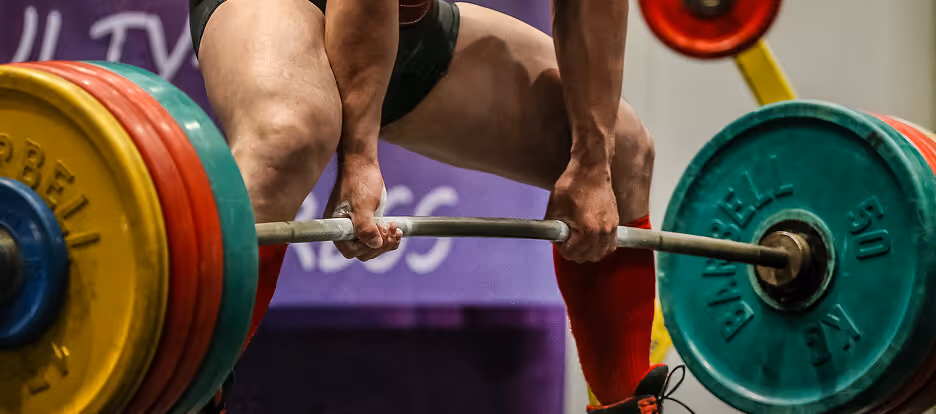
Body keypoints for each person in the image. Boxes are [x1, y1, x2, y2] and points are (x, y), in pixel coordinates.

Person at [189, 0, 683, 412]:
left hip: (406, 20)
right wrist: (359, 157)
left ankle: (624, 402)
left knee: (623, 152)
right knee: (289, 136)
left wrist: (591, 163)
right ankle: (180, 392)